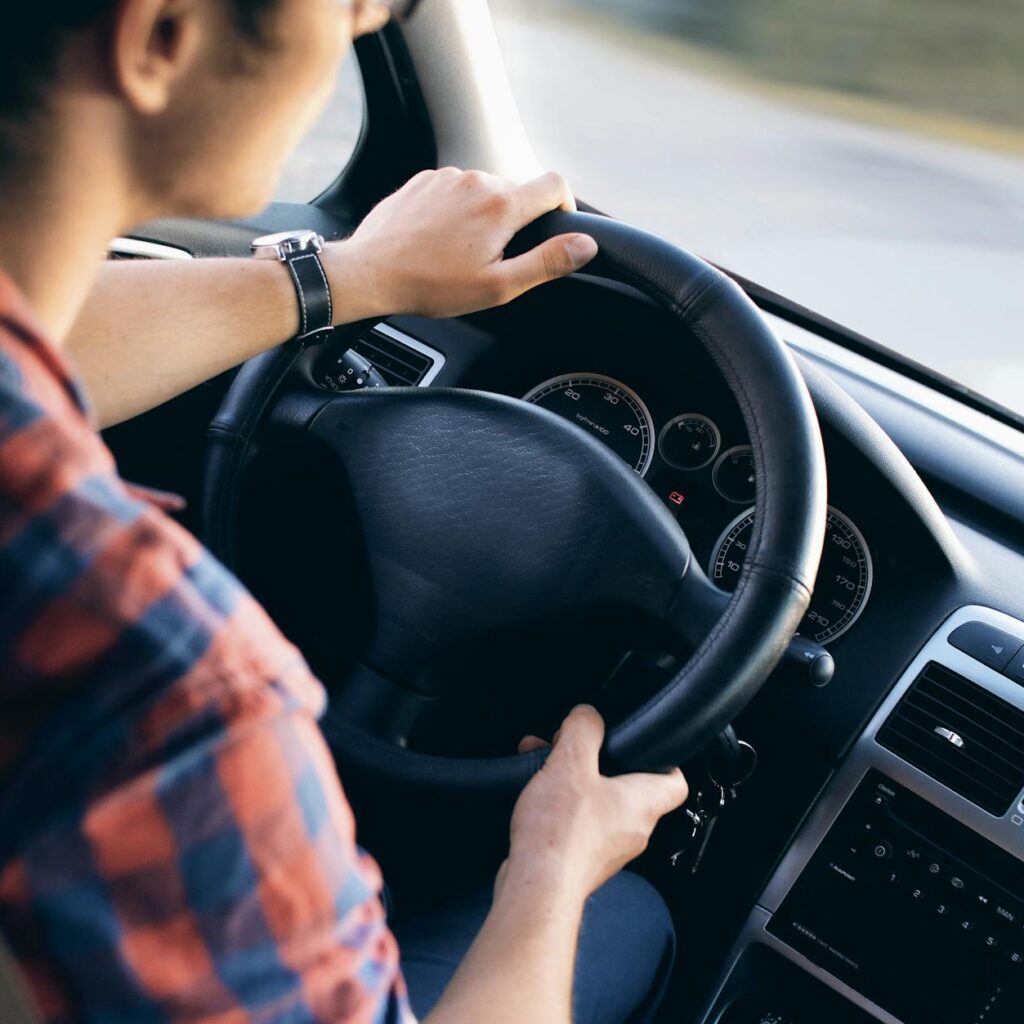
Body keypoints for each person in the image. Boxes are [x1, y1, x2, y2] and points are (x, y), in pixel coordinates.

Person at [0, 1, 690, 1021]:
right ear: (162, 36)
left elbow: (37, 347)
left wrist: (351, 275)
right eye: (352, 4)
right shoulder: (163, 690)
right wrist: (551, 863)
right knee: (624, 916)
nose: (359, 28)